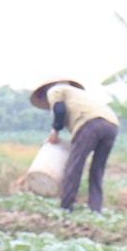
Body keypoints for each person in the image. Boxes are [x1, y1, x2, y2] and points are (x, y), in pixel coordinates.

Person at [29, 78, 119, 213]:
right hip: (112, 125)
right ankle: (95, 209)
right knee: (97, 170)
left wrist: (55, 131)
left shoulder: (55, 91)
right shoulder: (78, 97)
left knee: (74, 165)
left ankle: (66, 208)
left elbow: (59, 110)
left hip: (90, 123)